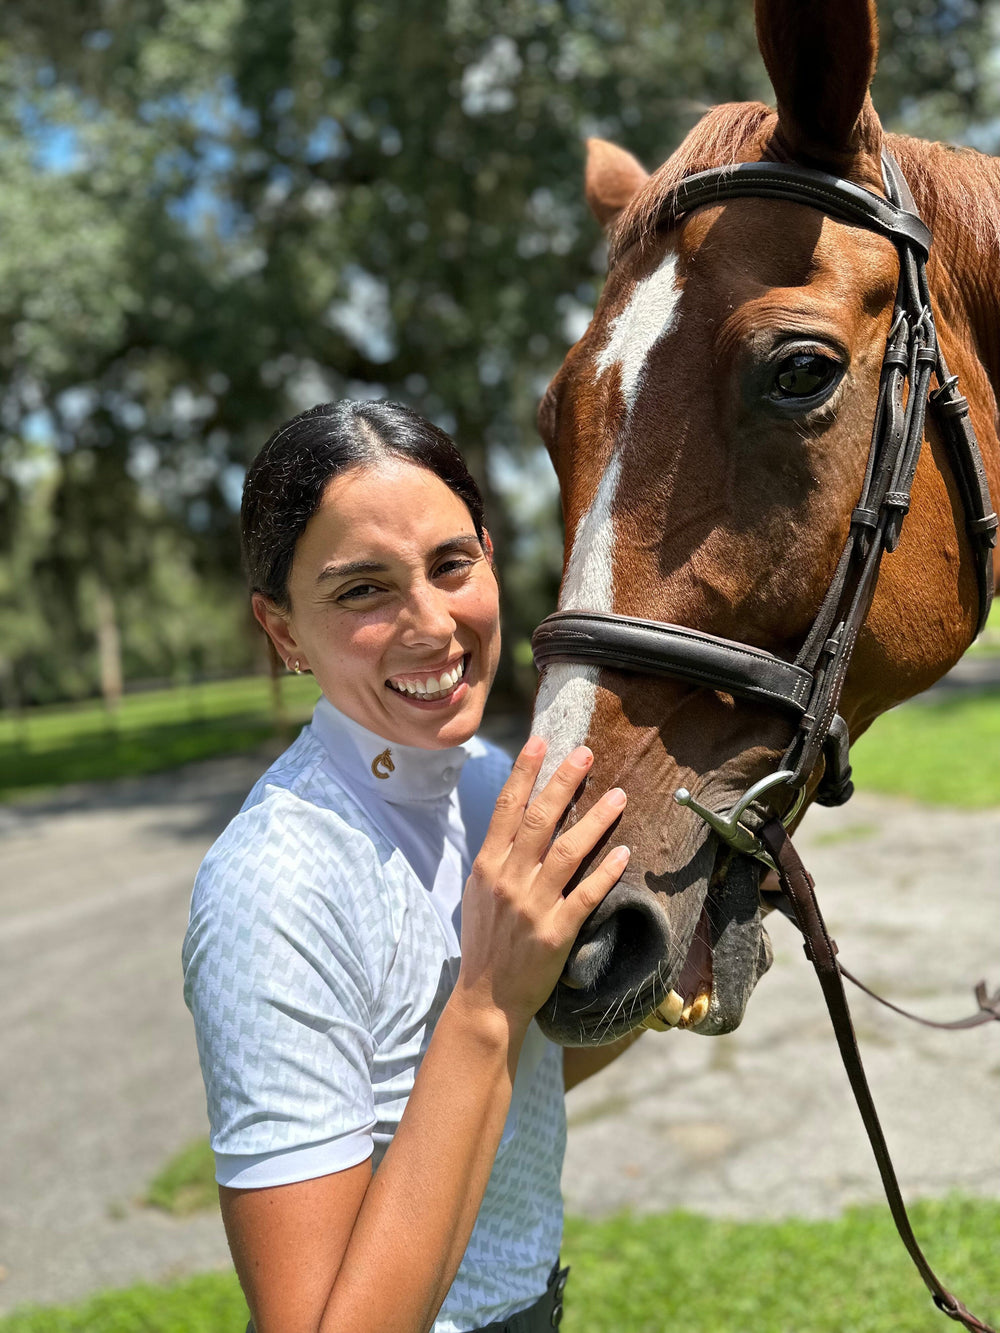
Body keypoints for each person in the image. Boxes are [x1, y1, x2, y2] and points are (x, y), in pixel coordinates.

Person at [182, 399, 637, 1333]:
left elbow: (520, 1083)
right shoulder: (271, 889)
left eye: (450, 564)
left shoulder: (494, 785)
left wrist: (666, 945)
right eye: (362, 590)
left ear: (489, 557)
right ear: (282, 632)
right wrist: (487, 999)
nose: (431, 623)